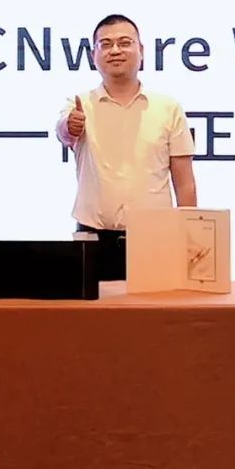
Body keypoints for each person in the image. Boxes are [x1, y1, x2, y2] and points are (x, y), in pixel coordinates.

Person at [55, 14, 197, 278]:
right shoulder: (79, 105)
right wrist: (70, 126)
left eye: (124, 43)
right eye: (105, 44)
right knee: (93, 306)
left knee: (158, 305)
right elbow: (64, 132)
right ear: (93, 55)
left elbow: (185, 183)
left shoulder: (168, 108)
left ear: (141, 50)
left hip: (155, 238)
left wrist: (191, 239)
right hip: (92, 238)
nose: (115, 51)